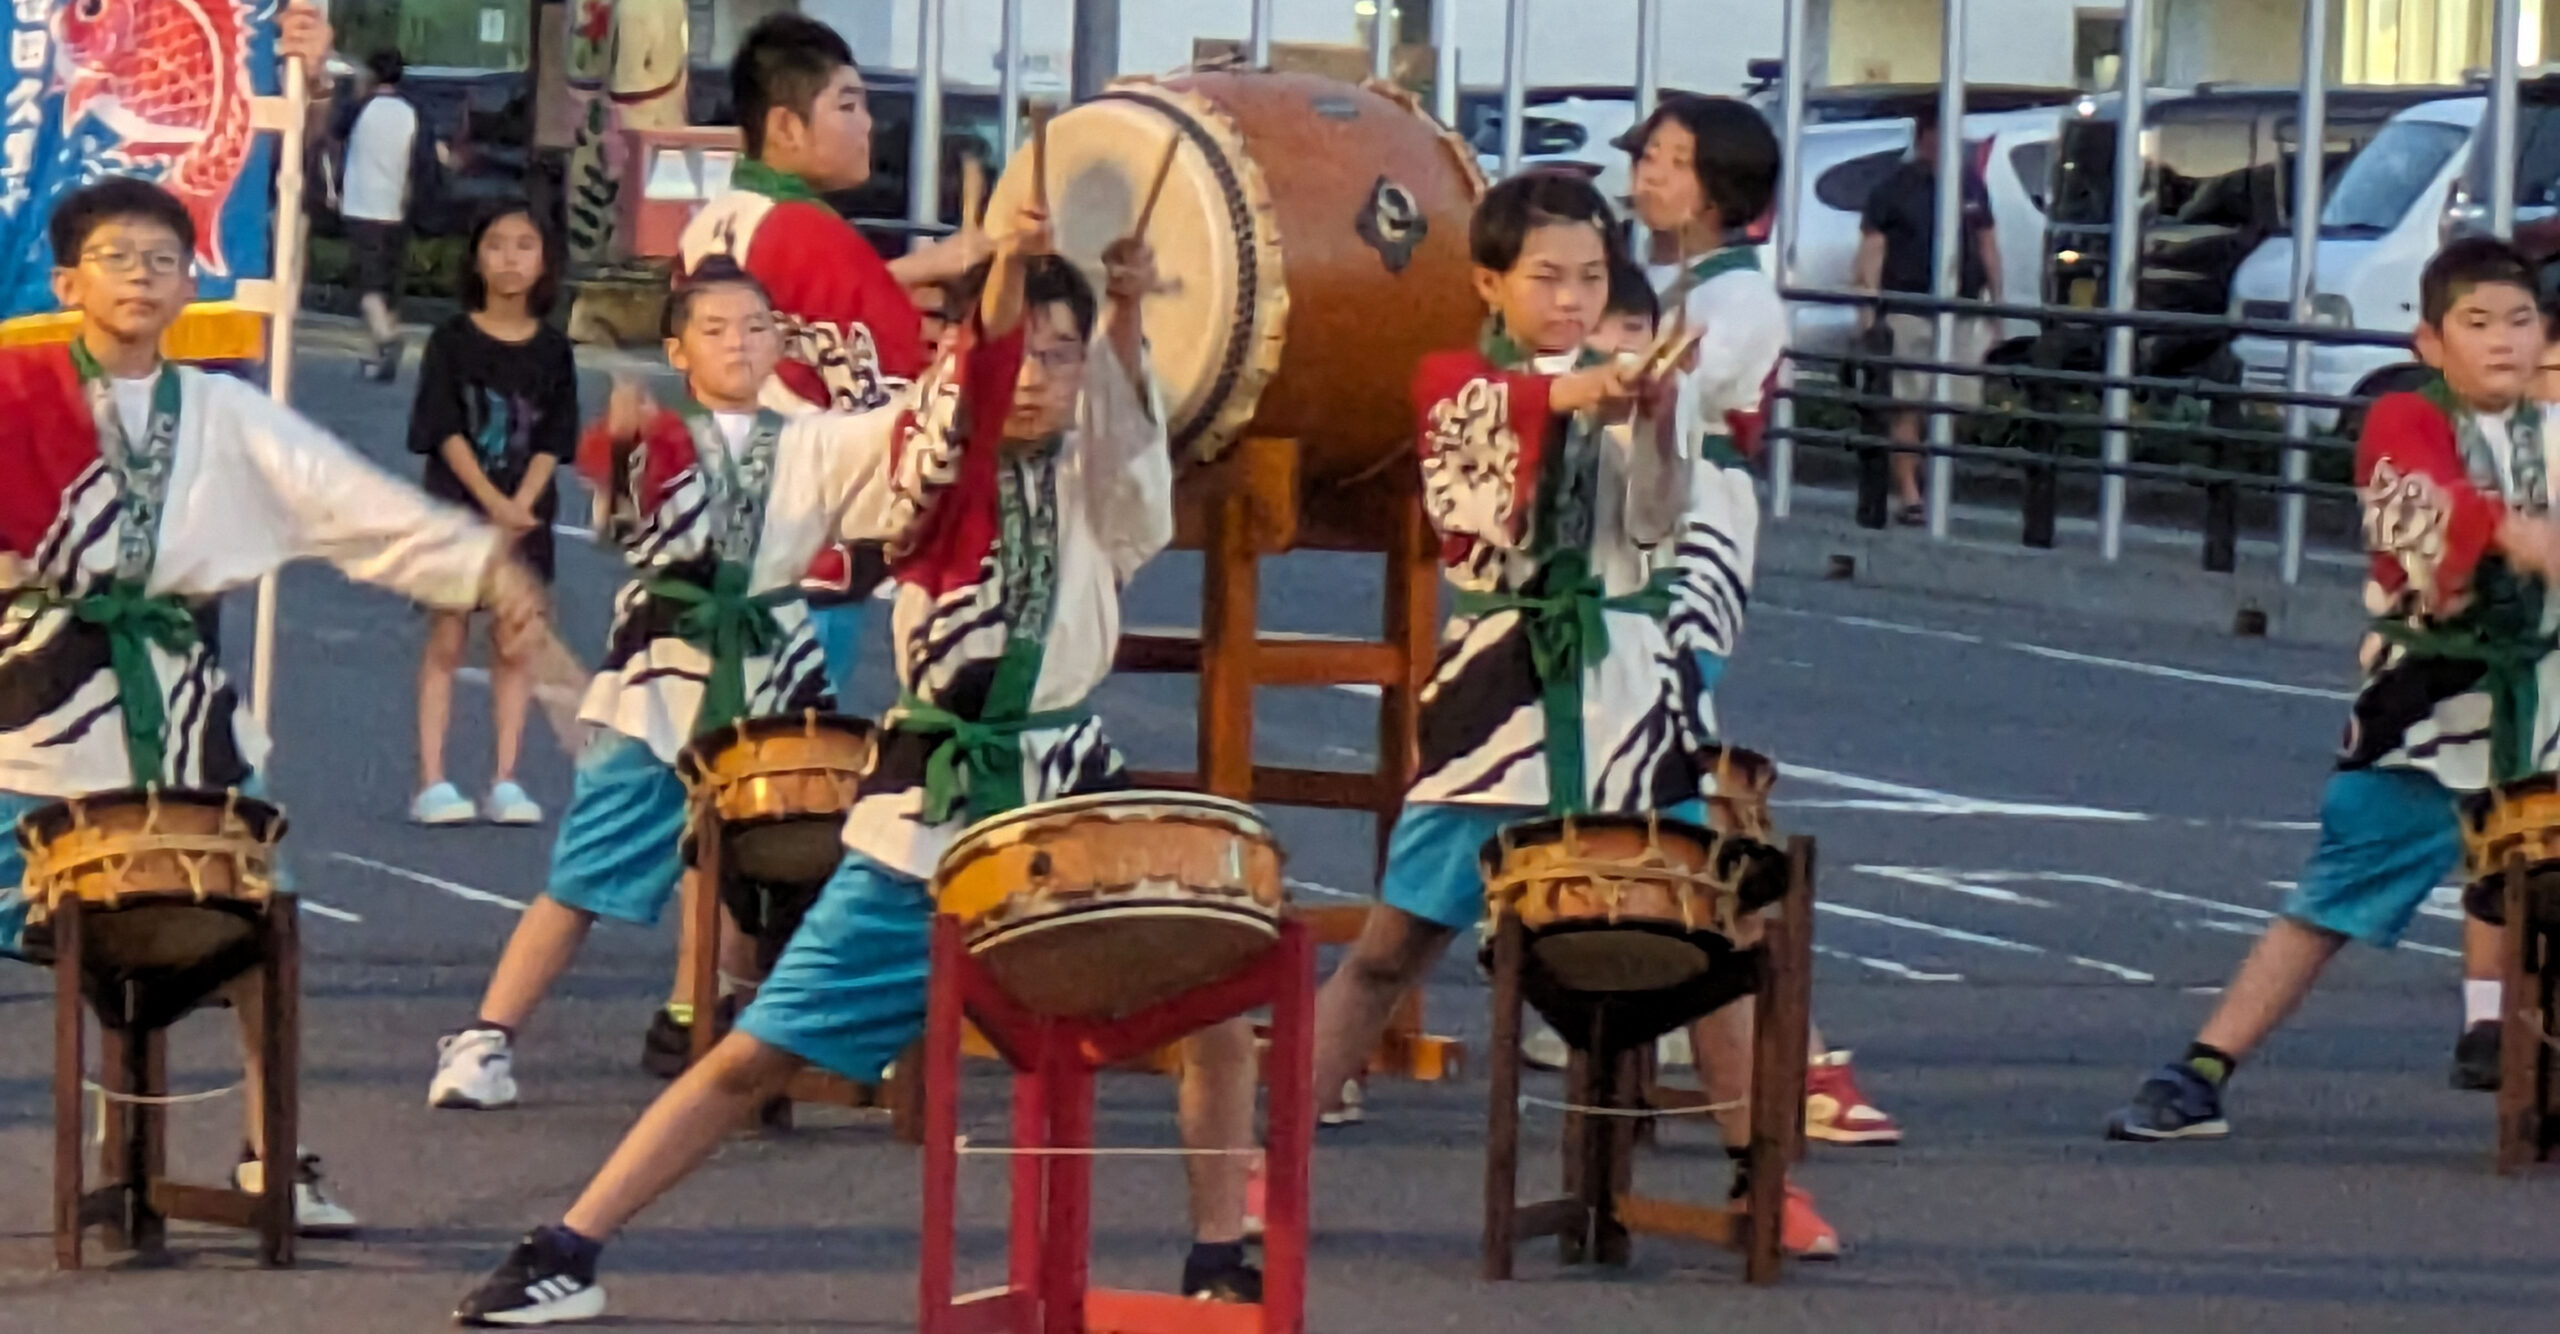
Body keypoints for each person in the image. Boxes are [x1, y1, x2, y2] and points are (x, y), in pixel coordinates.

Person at [455, 227, 1264, 1328]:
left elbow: (1131, 454)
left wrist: (1118, 323)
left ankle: (1220, 1249)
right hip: (931, 808)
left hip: (1069, 790)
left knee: (1213, 993)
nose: (1036, 375)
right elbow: (921, 442)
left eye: (1059, 354)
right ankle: (566, 1242)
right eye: (1013, 351)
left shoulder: (1093, 483)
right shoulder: (914, 465)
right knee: (758, 1052)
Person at [1302, 169, 1838, 1257]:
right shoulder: (1459, 382)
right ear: (1489, 281)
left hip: (1631, 687)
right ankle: (1269, 1149)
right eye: (1545, 276)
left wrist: (1648, 416)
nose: (1571, 298)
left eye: (1590, 276)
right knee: (1394, 940)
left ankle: (1757, 1173)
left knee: (1711, 929)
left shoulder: (1641, 377)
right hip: (1500, 691)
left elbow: (1658, 515)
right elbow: (1468, 507)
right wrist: (1569, 396)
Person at [0, 175, 547, 1234]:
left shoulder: (218, 407)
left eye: (165, 259)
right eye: (118, 257)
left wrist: (484, 568)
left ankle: (270, 1151)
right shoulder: (18, 389)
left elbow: (346, 498)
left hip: (177, 700)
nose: (144, 276)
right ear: (67, 281)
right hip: (28, 706)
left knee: (262, 912)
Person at [2107, 237, 2560, 1142]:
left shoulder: (2547, 427)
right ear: (2430, 343)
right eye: (2478, 324)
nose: (2505, 342)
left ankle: (2525, 1068)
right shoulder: (2405, 416)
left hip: (2545, 697)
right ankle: (2202, 1068)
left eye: (2520, 322)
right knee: (2338, 891)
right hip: (2431, 703)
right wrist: (2502, 531)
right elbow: (2411, 505)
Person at [625, 14, 993, 1065]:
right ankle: (730, 1003)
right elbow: (890, 395)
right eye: (849, 103)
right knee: (782, 794)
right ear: (785, 124)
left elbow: (822, 315)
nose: (867, 123)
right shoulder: (817, 240)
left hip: (725, 534)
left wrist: (923, 274)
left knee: (721, 782)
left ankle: (695, 994)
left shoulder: (724, 221)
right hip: (810, 552)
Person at [1628, 94, 1902, 1152]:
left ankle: (1797, 1049)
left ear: (1721, 187)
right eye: (1647, 155)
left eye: (1671, 160)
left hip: (1693, 527)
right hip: (1641, 525)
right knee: (1654, 776)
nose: (1649, 173)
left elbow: (1668, 398)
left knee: (1681, 768)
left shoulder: (1737, 301)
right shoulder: (1663, 284)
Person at [410, 204, 578, 828]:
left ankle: (506, 777)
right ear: (476, 257)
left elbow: (555, 438)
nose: (510, 258)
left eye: (525, 245)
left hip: (525, 516)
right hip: (459, 511)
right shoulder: (451, 341)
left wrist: (523, 504)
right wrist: (492, 501)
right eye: (497, 245)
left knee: (515, 644)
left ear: (544, 261)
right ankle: (433, 779)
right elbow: (443, 429)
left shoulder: (554, 350)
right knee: (447, 639)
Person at [1854, 102, 2001, 526]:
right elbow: (1870, 254)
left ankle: (1931, 485)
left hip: (1962, 307)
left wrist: (1996, 304)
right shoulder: (1894, 189)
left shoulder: (1970, 186)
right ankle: (1911, 493)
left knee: (1951, 403)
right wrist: (1867, 310)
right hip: (1908, 307)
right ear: (1924, 137)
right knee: (1907, 404)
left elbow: (1988, 243)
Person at [341, 48, 438, 382]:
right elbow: (425, 163)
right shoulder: (414, 112)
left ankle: (386, 339)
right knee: (389, 285)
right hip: (397, 208)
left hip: (360, 205)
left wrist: (355, 92)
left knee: (366, 285)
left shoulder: (358, 108)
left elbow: (333, 133)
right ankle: (376, 360)